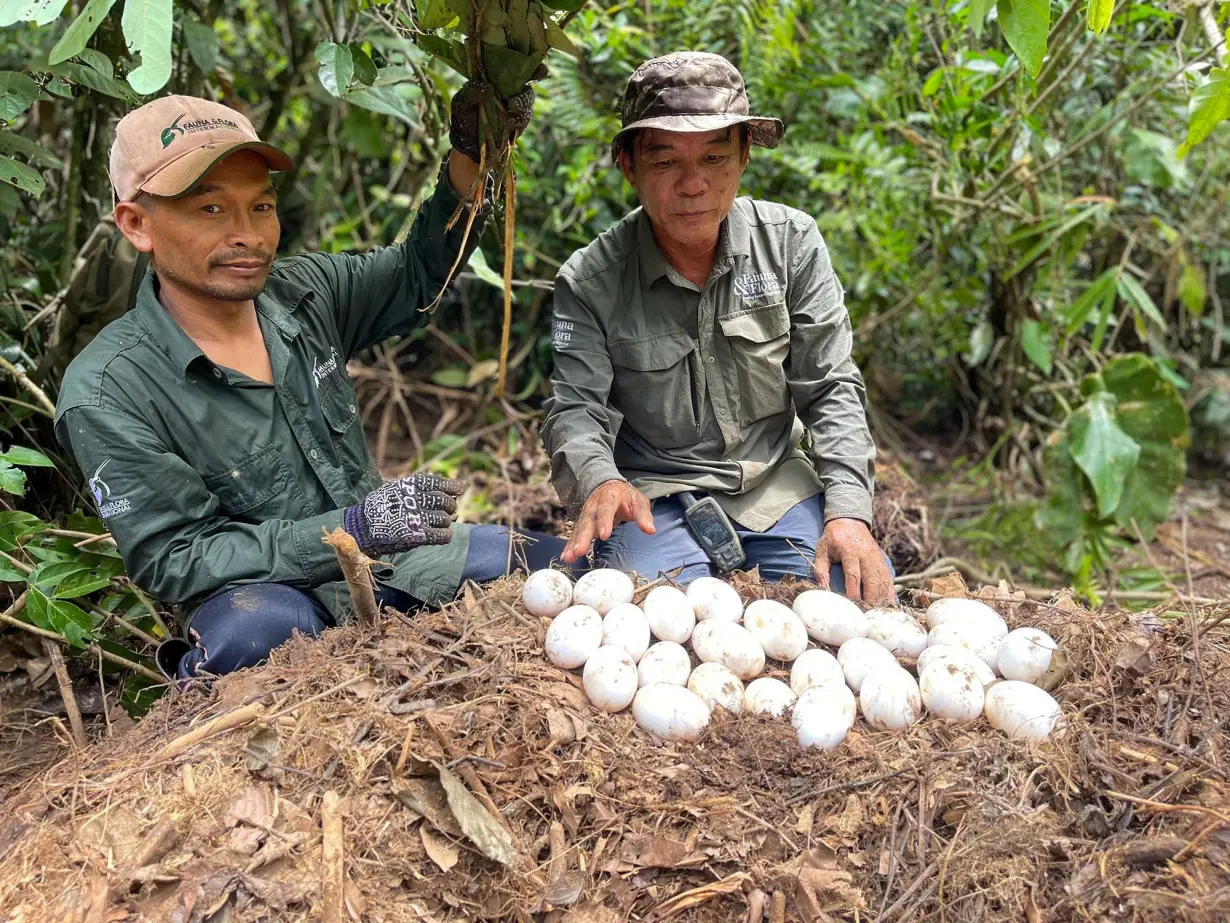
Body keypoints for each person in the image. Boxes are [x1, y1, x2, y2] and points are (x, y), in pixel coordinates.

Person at [55, 88, 564, 680]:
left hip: (397, 562)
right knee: (252, 639)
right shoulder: (108, 390)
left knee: (557, 567)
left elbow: (417, 273)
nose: (247, 235)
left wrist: (474, 156)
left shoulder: (307, 293)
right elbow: (177, 559)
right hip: (274, 597)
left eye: (262, 208)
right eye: (211, 210)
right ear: (137, 224)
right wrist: (348, 532)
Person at [541, 52, 894, 604]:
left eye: (714, 158)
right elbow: (575, 409)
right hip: (654, 498)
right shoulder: (590, 281)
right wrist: (600, 481)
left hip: (776, 485)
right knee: (647, 616)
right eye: (664, 163)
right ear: (629, 166)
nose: (692, 184)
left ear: (744, 157)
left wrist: (849, 511)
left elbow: (831, 388)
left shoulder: (790, 245)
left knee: (847, 601)